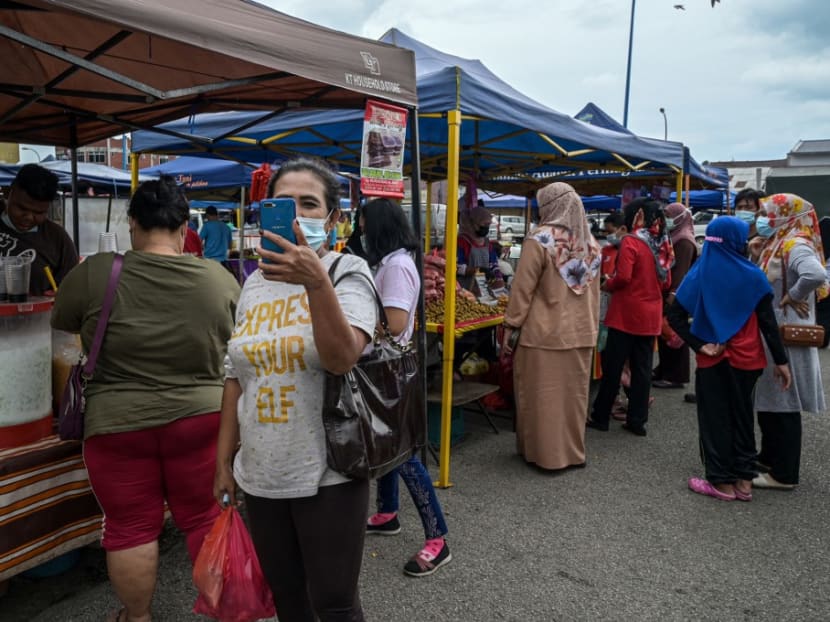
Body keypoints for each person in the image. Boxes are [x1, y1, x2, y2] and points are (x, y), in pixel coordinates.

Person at [51, 175, 240, 622]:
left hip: (116, 424)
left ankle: (137, 617)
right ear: (184, 228)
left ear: (132, 223)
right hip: (201, 420)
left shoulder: (96, 272)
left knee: (130, 527)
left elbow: (62, 321)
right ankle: (227, 613)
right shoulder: (219, 279)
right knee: (204, 518)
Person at [213, 158, 377, 621]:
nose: (298, 214)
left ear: (333, 218)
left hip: (329, 472)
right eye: (285, 204)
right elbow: (235, 376)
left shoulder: (347, 271)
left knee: (335, 604)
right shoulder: (253, 283)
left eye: (310, 204)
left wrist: (316, 281)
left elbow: (341, 358)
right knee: (288, 600)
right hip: (260, 472)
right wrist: (223, 462)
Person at [359, 198, 452, 577]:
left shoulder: (396, 267)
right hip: (385, 369)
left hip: (388, 372)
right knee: (387, 447)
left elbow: (395, 324)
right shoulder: (392, 262)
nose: (361, 232)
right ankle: (388, 513)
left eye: (364, 226)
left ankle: (438, 539)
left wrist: (353, 321)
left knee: (403, 456)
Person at [668, 217, 790, 502]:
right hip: (748, 360)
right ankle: (744, 483)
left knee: (715, 420)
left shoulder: (701, 273)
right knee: (743, 418)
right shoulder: (753, 275)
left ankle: (721, 483)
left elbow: (675, 316)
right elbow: (768, 323)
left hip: (713, 360)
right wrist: (781, 362)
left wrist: (700, 346)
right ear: (737, 242)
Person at [502, 182, 600, 470]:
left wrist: (510, 325)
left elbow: (522, 290)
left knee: (540, 398)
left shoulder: (539, 239)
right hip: (581, 333)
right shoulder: (592, 244)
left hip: (542, 335)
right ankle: (572, 454)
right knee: (573, 400)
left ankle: (542, 455)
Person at [752, 193, 827, 490]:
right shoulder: (779, 241)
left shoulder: (795, 242)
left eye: (769, 212)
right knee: (772, 398)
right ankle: (770, 457)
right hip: (776, 330)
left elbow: (816, 274)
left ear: (786, 214)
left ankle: (784, 474)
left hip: (787, 333)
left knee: (785, 399)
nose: (764, 219)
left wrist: (792, 295)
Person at [588, 198, 673, 437]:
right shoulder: (662, 243)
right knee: (642, 370)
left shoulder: (631, 241)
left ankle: (601, 416)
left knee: (613, 367)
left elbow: (624, 277)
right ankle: (637, 420)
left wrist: (607, 284)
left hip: (626, 314)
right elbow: (666, 281)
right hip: (650, 314)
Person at [0, 163, 78, 294]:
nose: (29, 218)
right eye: (22, 208)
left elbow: (73, 289)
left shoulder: (57, 238)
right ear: (8, 192)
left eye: (39, 212)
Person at [653, 203, 699, 389]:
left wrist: (672, 294)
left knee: (674, 335)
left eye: (668, 215)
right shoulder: (674, 237)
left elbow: (681, 271)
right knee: (666, 334)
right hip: (671, 291)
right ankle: (664, 369)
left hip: (676, 293)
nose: (665, 219)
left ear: (680, 217)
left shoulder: (684, 241)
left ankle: (675, 376)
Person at [457, 205, 502, 292]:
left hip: (483, 289)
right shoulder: (461, 242)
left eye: (488, 225)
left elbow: (493, 263)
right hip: (464, 289)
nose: (486, 228)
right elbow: (457, 268)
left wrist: (498, 277)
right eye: (484, 224)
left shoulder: (487, 242)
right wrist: (478, 270)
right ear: (473, 224)